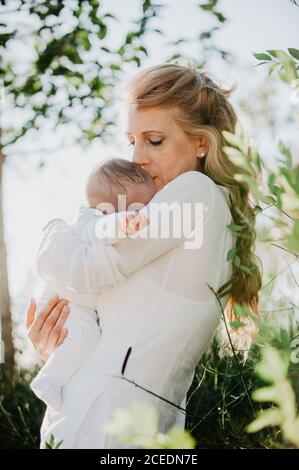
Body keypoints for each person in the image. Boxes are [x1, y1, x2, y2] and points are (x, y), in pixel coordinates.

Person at [26, 60, 262, 449]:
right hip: (114, 418)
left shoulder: (196, 195)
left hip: (106, 423)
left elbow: (85, 269)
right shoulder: (187, 213)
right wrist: (62, 346)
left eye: (154, 140)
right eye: (130, 140)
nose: (136, 157)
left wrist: (54, 233)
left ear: (202, 142)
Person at [30, 158, 154, 411]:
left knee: (85, 340)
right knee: (85, 337)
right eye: (138, 208)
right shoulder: (90, 219)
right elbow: (100, 229)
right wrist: (125, 223)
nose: (142, 214)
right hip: (65, 303)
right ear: (109, 210)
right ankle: (48, 381)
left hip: (76, 303)